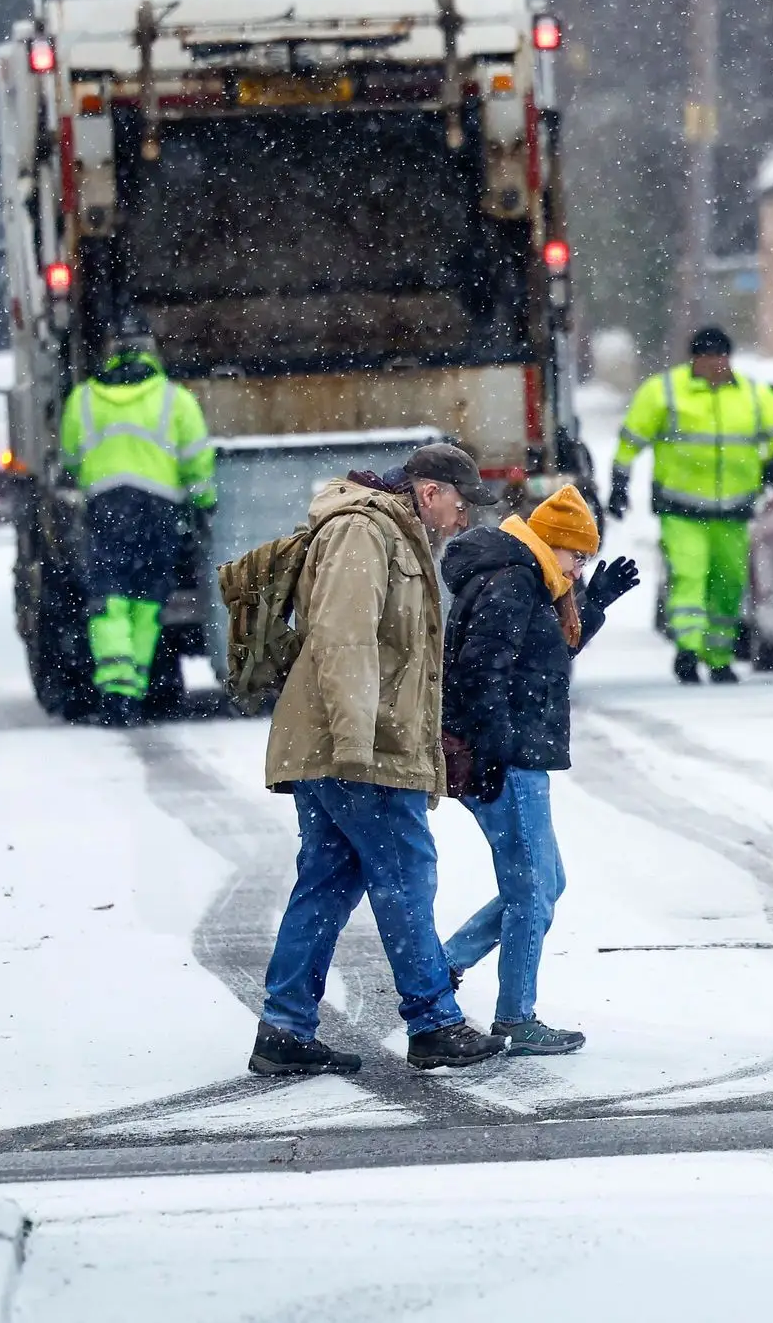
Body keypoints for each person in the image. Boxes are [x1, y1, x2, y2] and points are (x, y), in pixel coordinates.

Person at [250, 444, 511, 1076]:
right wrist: (354, 744)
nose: (461, 517)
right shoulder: (364, 535)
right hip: (356, 749)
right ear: (427, 492)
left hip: (348, 745)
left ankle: (284, 1029)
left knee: (329, 882)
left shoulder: (383, 533)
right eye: (458, 502)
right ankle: (433, 1022)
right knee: (405, 875)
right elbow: (346, 640)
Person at [438, 484, 639, 1055]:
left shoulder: (526, 579)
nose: (578, 570)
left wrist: (592, 604)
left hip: (515, 755)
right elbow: (482, 673)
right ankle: (514, 1017)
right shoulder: (512, 583)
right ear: (552, 544)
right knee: (531, 890)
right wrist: (497, 753)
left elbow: (540, 656)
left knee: (545, 882)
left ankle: (441, 966)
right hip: (510, 761)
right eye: (577, 558)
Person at [607, 326, 773, 686]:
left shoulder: (752, 395)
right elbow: (631, 438)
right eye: (710, 357)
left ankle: (720, 658)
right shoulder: (664, 392)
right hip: (681, 510)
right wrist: (620, 483)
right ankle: (688, 650)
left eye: (723, 357)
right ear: (695, 359)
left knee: (728, 583)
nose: (717, 365)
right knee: (689, 576)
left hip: (734, 511)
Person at [59, 314, 215, 727]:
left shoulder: (83, 399)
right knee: (148, 603)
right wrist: (204, 501)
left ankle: (115, 692)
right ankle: (136, 690)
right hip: (159, 512)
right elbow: (197, 461)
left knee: (108, 600)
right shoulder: (174, 399)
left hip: (106, 509)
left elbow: (70, 458)